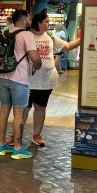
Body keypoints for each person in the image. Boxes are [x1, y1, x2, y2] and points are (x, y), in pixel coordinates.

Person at [22, 10, 81, 147]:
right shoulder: (26, 36)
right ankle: (16, 135)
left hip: (46, 80)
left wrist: (82, 38)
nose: (49, 24)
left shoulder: (50, 36)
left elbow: (67, 46)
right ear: (38, 23)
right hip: (27, 80)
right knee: (24, 109)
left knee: (40, 108)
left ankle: (36, 135)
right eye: (46, 22)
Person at [0, 10, 41, 160]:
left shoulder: (5, 33)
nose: (30, 21)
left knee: (3, 112)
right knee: (19, 114)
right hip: (19, 79)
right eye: (29, 18)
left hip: (2, 76)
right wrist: (39, 63)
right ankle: (17, 149)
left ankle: (2, 146)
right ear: (23, 19)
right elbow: (34, 57)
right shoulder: (27, 35)